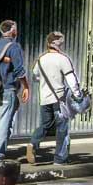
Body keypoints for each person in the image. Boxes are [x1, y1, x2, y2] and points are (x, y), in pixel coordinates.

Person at [26, 32, 80, 166]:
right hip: (59, 99)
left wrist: (45, 81)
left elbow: (35, 77)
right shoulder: (63, 59)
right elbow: (71, 79)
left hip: (44, 98)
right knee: (62, 128)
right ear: (59, 44)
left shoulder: (41, 58)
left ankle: (33, 143)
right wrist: (77, 94)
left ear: (48, 43)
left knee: (45, 125)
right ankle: (60, 159)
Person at [0, 20, 30, 164]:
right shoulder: (14, 47)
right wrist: (26, 86)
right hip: (8, 88)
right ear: (13, 31)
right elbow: (19, 70)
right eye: (16, 28)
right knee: (5, 121)